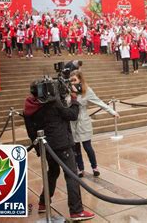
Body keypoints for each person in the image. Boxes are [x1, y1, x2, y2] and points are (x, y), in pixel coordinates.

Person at [23, 81, 95, 221]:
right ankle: (76, 211)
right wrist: (73, 98)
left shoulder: (29, 106)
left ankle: (43, 202)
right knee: (71, 175)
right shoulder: (53, 103)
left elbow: (30, 131)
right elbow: (72, 115)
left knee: (53, 172)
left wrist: (39, 148)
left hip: (46, 146)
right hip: (61, 144)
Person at [69, 70, 120, 177]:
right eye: (71, 81)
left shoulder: (87, 91)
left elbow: (99, 102)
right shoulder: (67, 91)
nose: (73, 82)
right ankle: (80, 168)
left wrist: (112, 112)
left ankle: (94, 167)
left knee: (87, 147)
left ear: (80, 80)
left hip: (83, 122)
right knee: (76, 148)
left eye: (75, 80)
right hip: (72, 122)